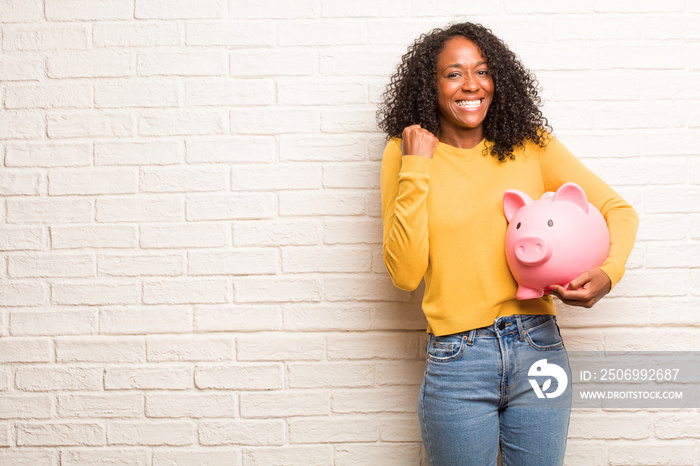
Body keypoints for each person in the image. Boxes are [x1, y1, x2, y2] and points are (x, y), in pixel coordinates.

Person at [377, 22, 638, 465]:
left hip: (538, 347)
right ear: (431, 84)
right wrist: (416, 168)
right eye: (454, 73)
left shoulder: (530, 146)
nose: (471, 85)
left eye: (482, 71)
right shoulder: (405, 154)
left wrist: (608, 274)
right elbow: (404, 275)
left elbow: (618, 209)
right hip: (458, 357)